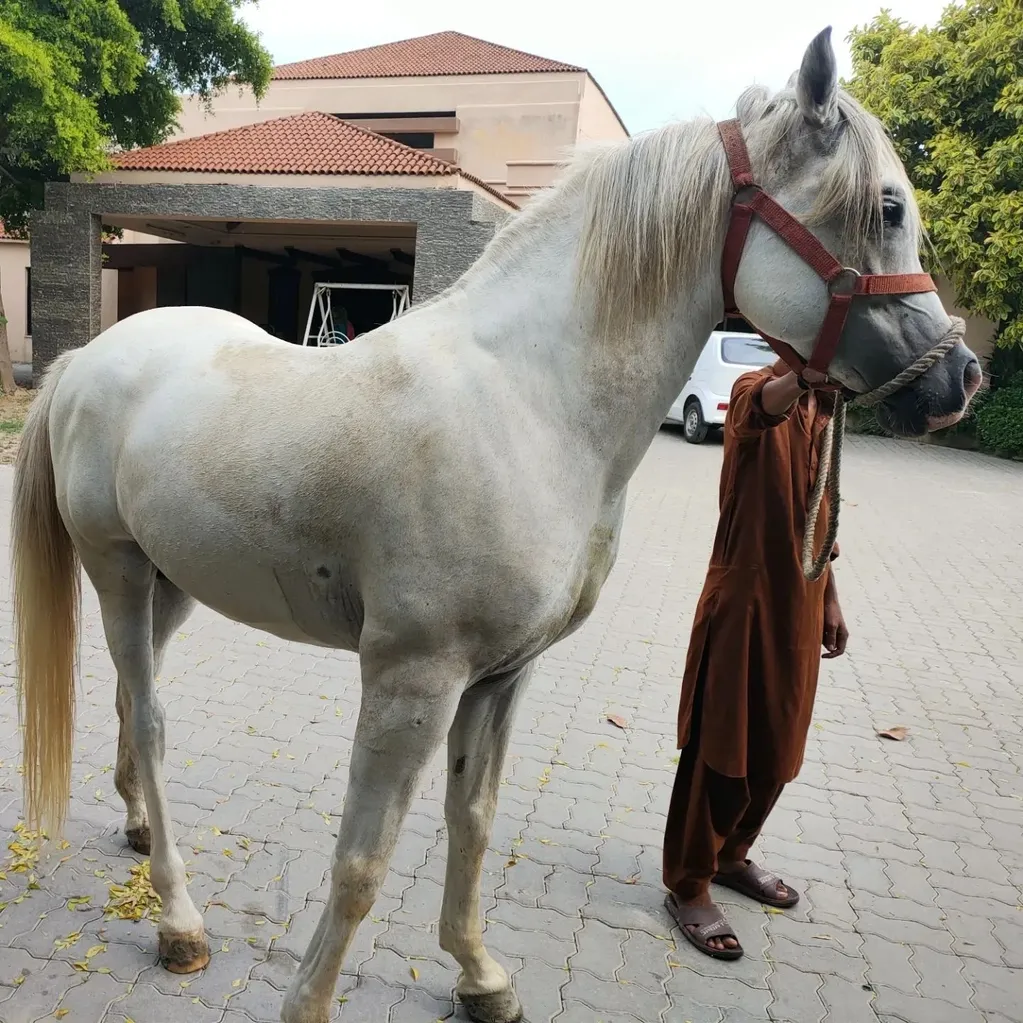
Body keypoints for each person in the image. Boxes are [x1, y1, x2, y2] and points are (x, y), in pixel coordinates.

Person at [662, 359, 849, 960]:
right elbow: (762, 406)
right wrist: (811, 366)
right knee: (723, 748)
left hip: (801, 606)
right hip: (744, 604)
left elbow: (821, 517)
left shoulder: (827, 416)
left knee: (777, 749)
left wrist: (832, 600)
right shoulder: (759, 391)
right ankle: (689, 885)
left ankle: (731, 857)